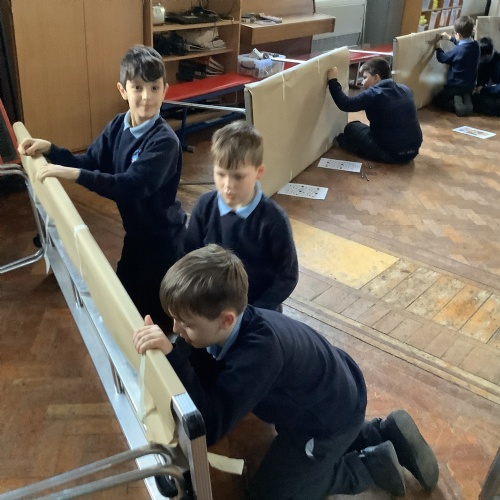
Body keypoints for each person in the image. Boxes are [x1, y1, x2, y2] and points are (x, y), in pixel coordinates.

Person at [133, 244, 440, 499]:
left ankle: (371, 467)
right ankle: (382, 433)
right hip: (337, 392)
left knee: (270, 494)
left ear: (226, 320)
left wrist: (174, 357)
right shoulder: (237, 323)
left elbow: (209, 427)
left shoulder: (258, 355)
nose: (176, 329)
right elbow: (204, 369)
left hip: (324, 422)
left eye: (186, 324)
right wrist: (177, 353)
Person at [18, 45, 186, 330]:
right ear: (123, 90)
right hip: (137, 236)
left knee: (154, 318)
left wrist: (72, 174)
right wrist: (51, 150)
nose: (147, 97)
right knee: (123, 304)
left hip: (163, 242)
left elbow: (130, 186)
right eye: (138, 87)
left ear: (165, 90)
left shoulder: (165, 142)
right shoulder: (119, 125)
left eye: (154, 88)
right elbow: (91, 161)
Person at [183, 120, 298, 312]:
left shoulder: (273, 220)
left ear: (259, 172)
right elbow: (189, 255)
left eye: (238, 176)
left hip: (258, 310)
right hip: (212, 306)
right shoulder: (204, 206)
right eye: (221, 174)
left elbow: (287, 275)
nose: (228, 185)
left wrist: (256, 311)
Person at [326, 57, 422, 164]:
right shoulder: (406, 89)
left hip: (390, 153)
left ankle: (351, 146)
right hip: (413, 151)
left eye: (365, 77)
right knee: (364, 128)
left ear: (376, 77)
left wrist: (332, 80)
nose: (362, 82)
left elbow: (346, 104)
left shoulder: (374, 93)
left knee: (351, 128)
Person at [432, 15, 480, 117]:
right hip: (470, 85)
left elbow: (443, 58)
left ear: (458, 34)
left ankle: (456, 102)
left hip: (455, 86)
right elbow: (463, 44)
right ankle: (466, 97)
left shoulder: (458, 50)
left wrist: (438, 48)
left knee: (437, 101)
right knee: (464, 91)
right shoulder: (476, 45)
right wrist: (451, 38)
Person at [472, 37, 500, 116]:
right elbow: (481, 80)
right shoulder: (485, 61)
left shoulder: (498, 62)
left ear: (486, 55)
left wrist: (483, 90)